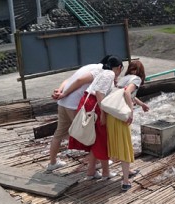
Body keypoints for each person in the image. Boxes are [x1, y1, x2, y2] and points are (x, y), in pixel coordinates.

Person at [45, 55, 110, 172]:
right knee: (88, 133)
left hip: (63, 103)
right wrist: (64, 94)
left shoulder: (89, 67)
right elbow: (80, 81)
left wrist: (60, 91)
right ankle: (97, 162)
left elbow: (68, 80)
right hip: (73, 105)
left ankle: (52, 162)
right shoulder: (100, 70)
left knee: (59, 133)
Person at [67, 56, 123, 180]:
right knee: (102, 139)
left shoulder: (102, 72)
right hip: (95, 105)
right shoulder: (110, 74)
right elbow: (99, 92)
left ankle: (91, 172)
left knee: (95, 139)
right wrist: (103, 113)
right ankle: (105, 172)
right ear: (119, 68)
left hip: (88, 103)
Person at [107, 60, 148, 191]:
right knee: (125, 146)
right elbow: (126, 93)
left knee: (117, 144)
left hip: (112, 115)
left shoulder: (123, 79)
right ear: (141, 71)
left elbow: (129, 95)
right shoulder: (136, 79)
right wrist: (131, 113)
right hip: (121, 116)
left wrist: (141, 104)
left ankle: (128, 171)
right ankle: (125, 181)